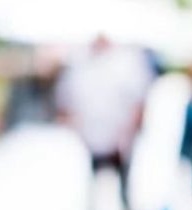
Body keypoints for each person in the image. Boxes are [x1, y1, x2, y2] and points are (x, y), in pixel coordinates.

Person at [54, 34, 155, 174]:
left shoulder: (126, 64)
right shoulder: (80, 66)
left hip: (117, 139)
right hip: (90, 138)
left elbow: (138, 103)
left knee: (120, 178)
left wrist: (127, 136)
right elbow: (66, 103)